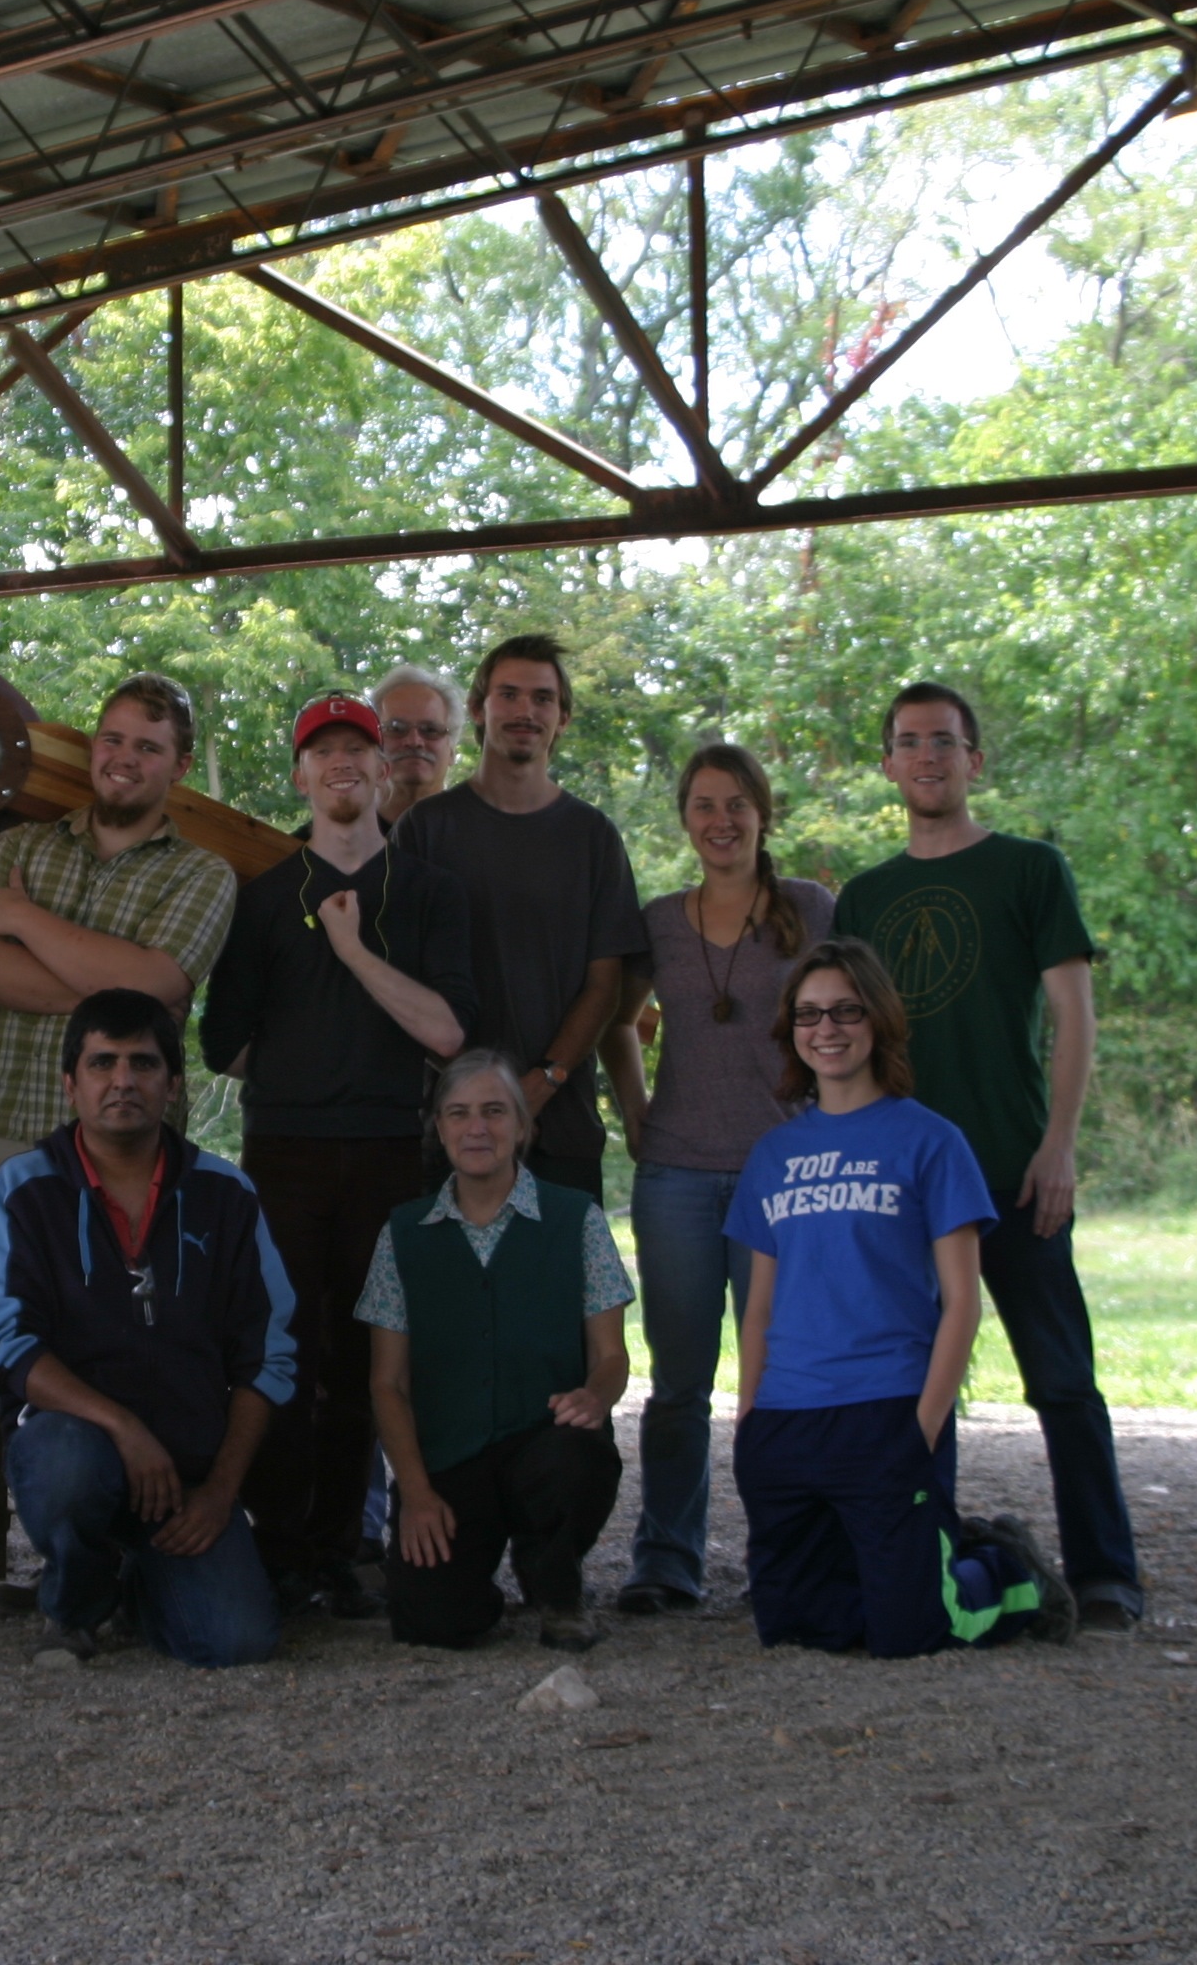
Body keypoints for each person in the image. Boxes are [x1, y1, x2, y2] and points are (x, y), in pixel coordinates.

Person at [833, 683, 1142, 1632]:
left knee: (1060, 1378)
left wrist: (1060, 1145)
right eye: (909, 742)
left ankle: (1105, 1572)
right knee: (914, 1387)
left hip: (1013, 1166)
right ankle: (928, 1563)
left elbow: (1073, 1014)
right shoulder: (866, 895)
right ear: (887, 764)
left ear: (975, 760)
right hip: (902, 1186)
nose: (927, 757)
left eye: (946, 742)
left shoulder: (1030, 871)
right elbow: (844, 1041)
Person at [199, 692, 472, 1619]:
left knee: (368, 1359)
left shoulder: (433, 893)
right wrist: (309, 1070)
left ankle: (342, 1545)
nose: (344, 763)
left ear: (386, 769)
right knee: (285, 1351)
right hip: (286, 1154)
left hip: (395, 1150)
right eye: (325, 752)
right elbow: (220, 1042)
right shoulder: (267, 897)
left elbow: (446, 1033)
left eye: (361, 747)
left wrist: (354, 957)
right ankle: (280, 1551)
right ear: (301, 777)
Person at [726, 938, 1076, 1657]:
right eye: (809, 1014)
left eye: (846, 1011)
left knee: (911, 1633)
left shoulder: (931, 1141)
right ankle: (915, 1557)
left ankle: (1010, 1572)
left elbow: (962, 1301)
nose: (827, 1029)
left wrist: (922, 1426)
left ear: (879, 1020)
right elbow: (757, 1308)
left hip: (887, 1407)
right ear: (792, 1030)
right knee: (798, 1630)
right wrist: (749, 1421)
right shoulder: (773, 1156)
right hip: (787, 1422)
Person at [0, 989, 298, 1669]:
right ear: (70, 1085)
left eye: (143, 1064)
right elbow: (3, 1340)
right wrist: (124, 1427)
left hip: (189, 1478)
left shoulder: (226, 1194)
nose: (123, 1081)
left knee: (236, 1642)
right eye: (102, 1063)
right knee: (66, 1461)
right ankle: (74, 1604)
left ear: (173, 1086)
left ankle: (135, 1583)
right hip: (78, 1450)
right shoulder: (23, 1188)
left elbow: (270, 1355)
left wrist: (220, 1494)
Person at [599, 743, 833, 1617]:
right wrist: (635, 1113)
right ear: (685, 820)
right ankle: (667, 1558)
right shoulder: (660, 920)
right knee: (680, 1383)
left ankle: (791, 1550)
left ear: (763, 813)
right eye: (703, 805)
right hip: (677, 1177)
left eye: (736, 803)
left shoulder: (811, 910)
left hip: (785, 1176)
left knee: (782, 1380)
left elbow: (846, 1017)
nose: (721, 820)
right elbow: (617, 1024)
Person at [0, 674, 238, 1300]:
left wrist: (22, 919)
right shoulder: (14, 847)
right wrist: (127, 994)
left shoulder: (204, 874)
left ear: (181, 766)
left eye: (148, 747)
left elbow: (154, 980)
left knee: (120, 1319)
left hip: (127, 1135)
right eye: (113, 739)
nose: (124, 758)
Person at [359, 1049, 629, 1652]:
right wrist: (416, 1494)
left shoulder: (575, 1218)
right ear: (439, 1127)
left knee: (575, 1457)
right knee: (432, 1624)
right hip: (449, 1461)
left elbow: (612, 1357)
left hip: (543, 1444)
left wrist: (595, 1397)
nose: (476, 1128)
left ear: (523, 1126)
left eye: (494, 1111)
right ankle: (474, 1586)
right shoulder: (403, 1232)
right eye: (458, 1113)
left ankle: (557, 1587)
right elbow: (387, 1385)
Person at [391, 633, 645, 1202]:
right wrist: (480, 1095)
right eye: (508, 694)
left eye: (543, 698)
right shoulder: (424, 831)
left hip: (562, 1128)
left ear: (563, 718)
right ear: (479, 710)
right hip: (446, 1131)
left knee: (563, 1293)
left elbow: (605, 987)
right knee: (446, 1294)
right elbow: (399, 980)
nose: (526, 711)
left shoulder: (594, 838)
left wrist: (544, 1081)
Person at [369, 662, 461, 826]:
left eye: (431, 730)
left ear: (452, 751)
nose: (414, 741)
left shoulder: (481, 839)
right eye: (396, 728)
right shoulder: (330, 842)